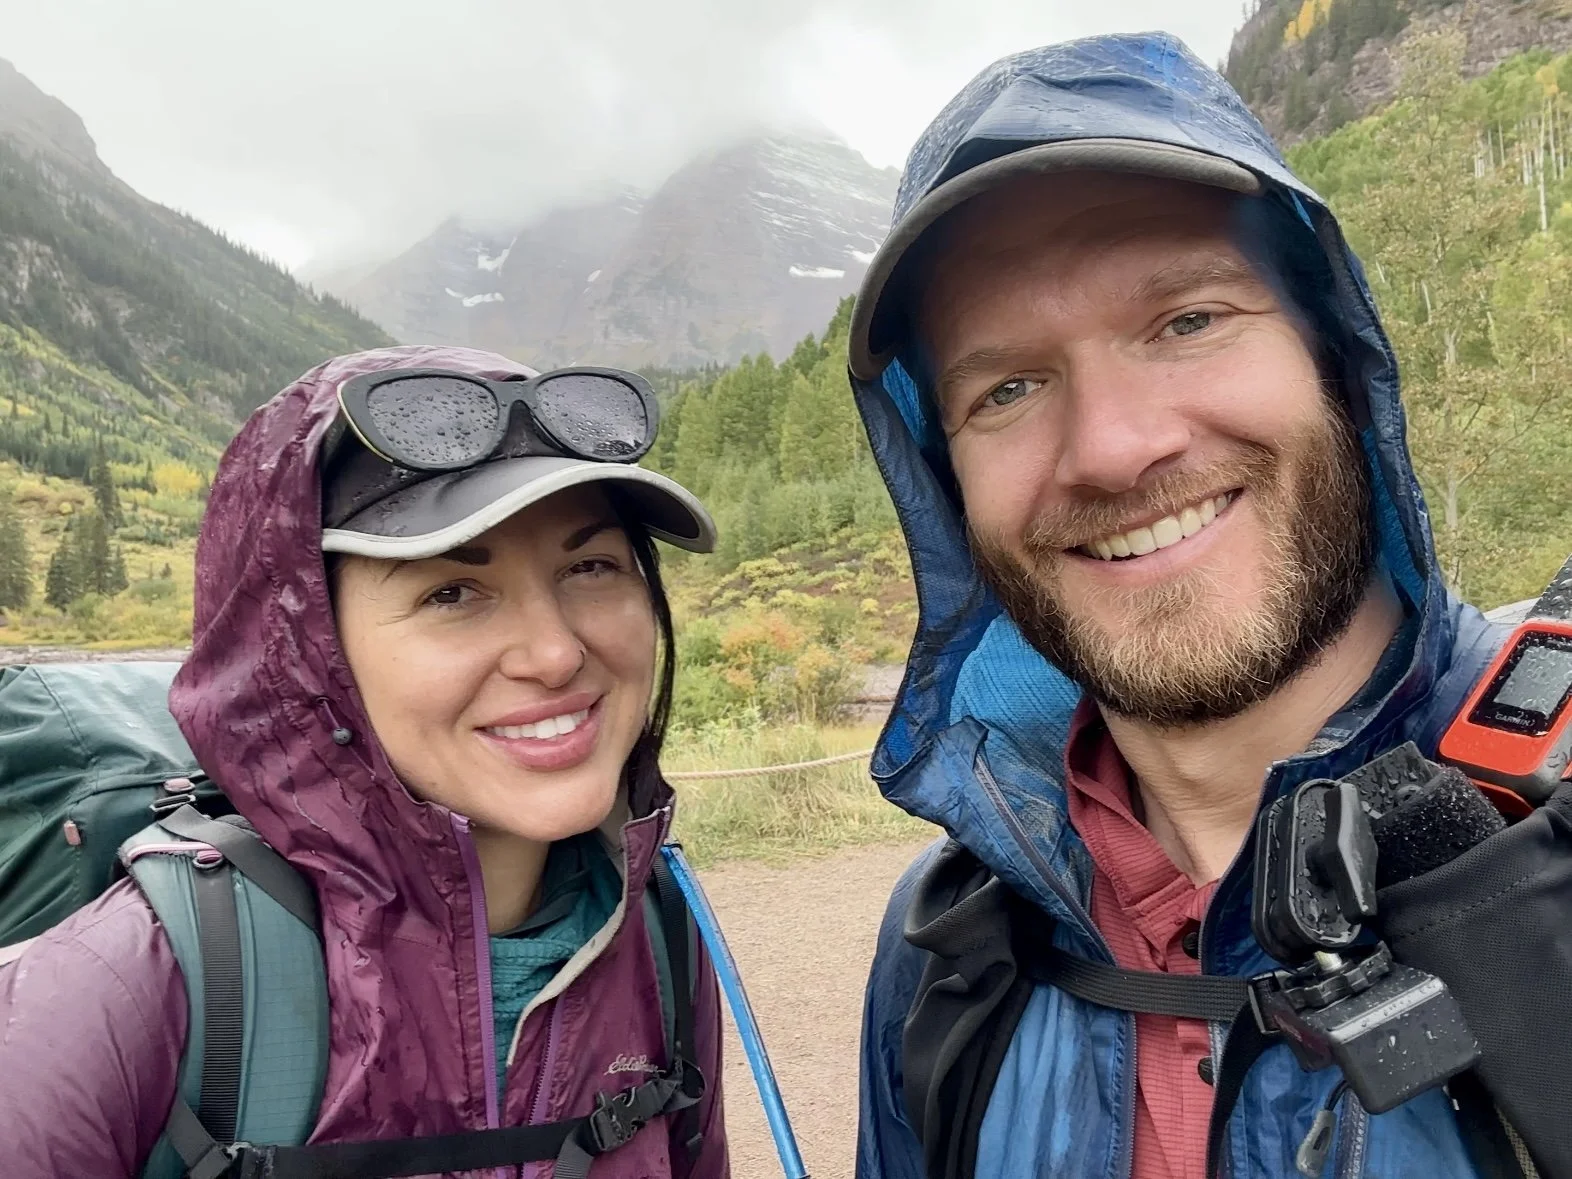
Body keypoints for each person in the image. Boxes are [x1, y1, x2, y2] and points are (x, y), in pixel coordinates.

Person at [848, 32, 1516, 1179]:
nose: (1110, 448)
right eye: (1006, 388)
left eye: (1187, 320)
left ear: (1341, 363)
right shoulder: (947, 957)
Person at [0, 345, 730, 1178]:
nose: (556, 651)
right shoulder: (119, 995)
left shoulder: (658, 936)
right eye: (451, 591)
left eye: (591, 566)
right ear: (307, 654)